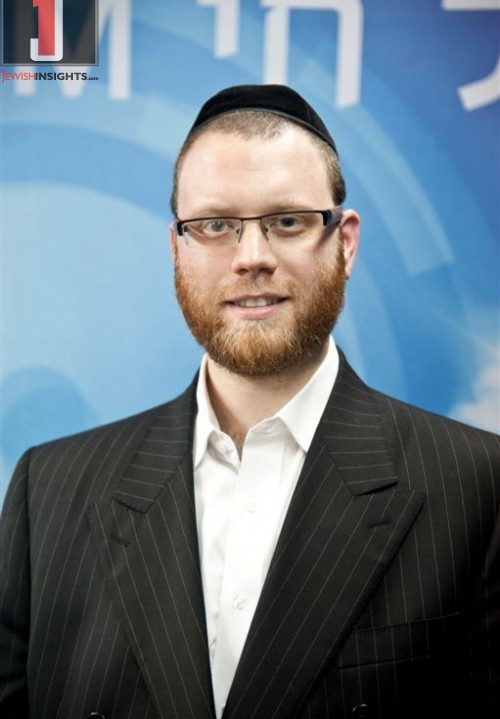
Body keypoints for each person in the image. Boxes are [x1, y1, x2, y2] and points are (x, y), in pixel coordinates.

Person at [0, 84, 499, 719]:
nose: (252, 258)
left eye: (287, 221)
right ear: (176, 249)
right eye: (215, 226)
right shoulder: (48, 492)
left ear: (345, 243)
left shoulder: (479, 488)